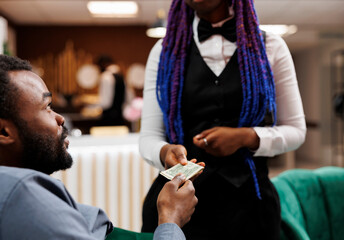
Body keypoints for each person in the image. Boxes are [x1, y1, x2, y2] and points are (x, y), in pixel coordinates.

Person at [139, 0, 306, 239]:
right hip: (179, 205)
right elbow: (148, 137)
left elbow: (296, 131)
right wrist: (165, 151)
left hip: (251, 206)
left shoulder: (271, 46)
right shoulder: (164, 50)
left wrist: (247, 137)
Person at [0, 54, 198, 240]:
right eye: (47, 107)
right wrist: (171, 219)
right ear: (4, 132)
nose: (60, 118)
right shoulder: (23, 195)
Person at [95, 55, 126, 126]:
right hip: (120, 117)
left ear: (102, 64)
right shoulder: (121, 76)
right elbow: (128, 98)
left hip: (108, 118)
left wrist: (91, 106)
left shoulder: (105, 77)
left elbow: (105, 103)